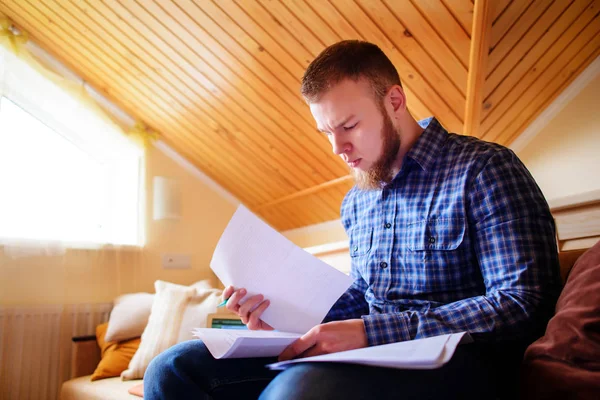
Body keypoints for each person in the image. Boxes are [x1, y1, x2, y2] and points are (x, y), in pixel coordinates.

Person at [145, 40, 561, 400]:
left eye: (349, 126)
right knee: (172, 370)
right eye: (326, 132)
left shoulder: (484, 169)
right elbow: (365, 298)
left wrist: (371, 333)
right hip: (367, 352)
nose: (338, 149)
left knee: (299, 390)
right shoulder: (357, 201)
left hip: (457, 361)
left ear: (394, 101)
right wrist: (278, 313)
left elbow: (522, 304)